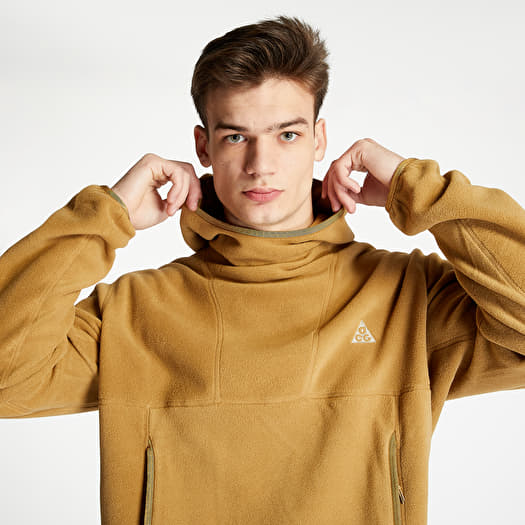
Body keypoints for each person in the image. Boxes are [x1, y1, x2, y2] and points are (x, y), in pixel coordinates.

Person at [1, 14, 524, 525]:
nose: (260, 165)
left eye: (287, 135)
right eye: (236, 137)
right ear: (203, 146)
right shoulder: (134, 313)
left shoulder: (406, 300)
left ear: (319, 139)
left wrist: (422, 192)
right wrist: (105, 216)